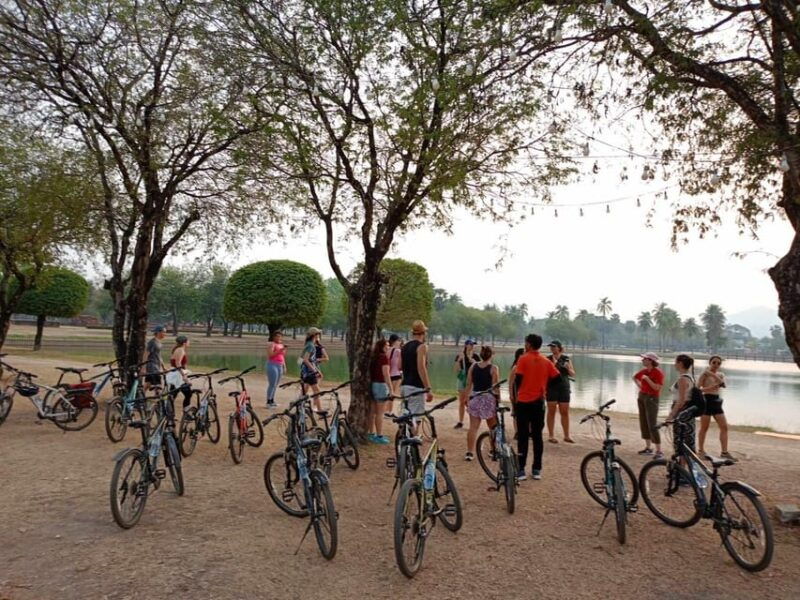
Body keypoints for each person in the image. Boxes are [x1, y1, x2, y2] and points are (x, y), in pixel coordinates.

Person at [513, 334, 560, 481]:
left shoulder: (523, 359)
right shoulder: (545, 361)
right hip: (539, 402)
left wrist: (516, 396)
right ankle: (536, 469)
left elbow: (518, 380)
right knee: (537, 436)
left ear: (529, 344)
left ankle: (521, 469)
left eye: (526, 343)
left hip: (523, 401)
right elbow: (558, 378)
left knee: (523, 436)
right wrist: (544, 388)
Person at [464, 345, 500, 461]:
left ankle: (470, 452)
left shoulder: (473, 366)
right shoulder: (493, 368)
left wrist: (466, 397)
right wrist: (498, 400)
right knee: (493, 426)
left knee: (473, 427)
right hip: (488, 398)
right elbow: (495, 387)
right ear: (491, 355)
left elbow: (469, 384)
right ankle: (493, 450)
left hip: (475, 397)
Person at [697, 356, 733, 459]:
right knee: (704, 428)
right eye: (714, 362)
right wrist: (710, 388)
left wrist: (712, 374)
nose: (716, 365)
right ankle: (701, 451)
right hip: (706, 401)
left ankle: (724, 452)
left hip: (716, 401)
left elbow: (723, 385)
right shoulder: (704, 374)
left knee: (724, 427)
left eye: (718, 363)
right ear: (709, 363)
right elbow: (698, 390)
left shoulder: (720, 374)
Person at [633, 352, 665, 458]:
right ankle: (648, 448)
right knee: (643, 422)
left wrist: (647, 380)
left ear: (650, 360)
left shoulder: (658, 373)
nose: (642, 360)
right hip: (642, 396)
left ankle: (659, 451)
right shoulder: (645, 371)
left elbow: (657, 388)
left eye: (644, 359)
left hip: (652, 398)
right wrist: (641, 387)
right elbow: (635, 377)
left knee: (652, 423)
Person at [666, 354, 697, 457]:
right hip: (688, 412)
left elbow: (681, 400)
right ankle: (683, 468)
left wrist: (671, 415)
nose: (674, 364)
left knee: (681, 441)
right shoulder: (690, 377)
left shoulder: (682, 379)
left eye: (676, 362)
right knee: (687, 442)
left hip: (682, 413)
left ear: (680, 363)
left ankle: (682, 469)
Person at [400, 320, 433, 415]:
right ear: (424, 333)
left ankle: (403, 429)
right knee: (415, 418)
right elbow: (421, 368)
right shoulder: (422, 347)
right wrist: (428, 389)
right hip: (416, 386)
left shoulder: (405, 346)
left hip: (404, 385)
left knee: (405, 416)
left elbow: (399, 366)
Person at [546, 340, 576, 443]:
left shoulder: (566, 359)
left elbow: (573, 374)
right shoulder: (547, 359)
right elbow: (546, 374)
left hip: (564, 387)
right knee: (551, 411)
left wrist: (568, 369)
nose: (552, 348)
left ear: (559, 348)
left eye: (554, 347)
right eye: (551, 347)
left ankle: (566, 435)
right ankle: (551, 435)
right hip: (551, 387)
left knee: (565, 412)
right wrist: (553, 365)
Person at [369, 338, 392, 444]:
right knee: (380, 413)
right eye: (386, 345)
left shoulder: (374, 357)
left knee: (372, 412)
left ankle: (370, 433)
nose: (388, 347)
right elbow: (386, 374)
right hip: (381, 386)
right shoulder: (384, 358)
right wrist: (391, 389)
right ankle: (379, 435)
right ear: (382, 346)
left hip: (373, 384)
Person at [453, 339, 480, 429]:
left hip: (472, 381)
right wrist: (458, 361)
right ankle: (460, 421)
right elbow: (456, 370)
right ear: (466, 345)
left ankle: (472, 422)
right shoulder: (460, 356)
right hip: (462, 380)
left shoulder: (476, 356)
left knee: (469, 402)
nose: (472, 346)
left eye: (473, 344)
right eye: (471, 344)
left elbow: (480, 368)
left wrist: (475, 363)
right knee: (462, 401)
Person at [301, 327, 323, 411]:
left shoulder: (309, 344)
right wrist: (314, 371)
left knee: (304, 391)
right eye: (318, 334)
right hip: (310, 373)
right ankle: (320, 410)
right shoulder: (310, 345)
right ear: (314, 335)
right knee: (317, 391)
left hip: (306, 372)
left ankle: (299, 407)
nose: (319, 336)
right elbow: (306, 360)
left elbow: (301, 359)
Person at [168, 335, 193, 411]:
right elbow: (178, 364)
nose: (189, 342)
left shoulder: (179, 349)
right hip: (178, 375)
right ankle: (186, 411)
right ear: (184, 343)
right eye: (188, 341)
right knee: (188, 393)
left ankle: (168, 413)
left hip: (176, 373)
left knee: (173, 394)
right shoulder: (180, 350)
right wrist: (184, 375)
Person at [266, 331, 286, 409]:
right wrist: (279, 351)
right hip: (272, 364)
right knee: (272, 384)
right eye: (277, 336)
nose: (278, 338)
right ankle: (268, 401)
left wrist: (284, 366)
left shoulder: (281, 345)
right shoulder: (271, 344)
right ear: (273, 337)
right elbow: (270, 355)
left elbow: (282, 356)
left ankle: (272, 400)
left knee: (276, 384)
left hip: (280, 365)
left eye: (280, 336)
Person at [508, 348, 524, 438]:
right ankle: (517, 431)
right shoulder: (515, 367)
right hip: (516, 392)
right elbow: (510, 383)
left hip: (524, 393)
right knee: (516, 413)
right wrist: (511, 394)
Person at [144, 325, 167, 390]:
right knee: (158, 384)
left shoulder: (159, 343)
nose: (165, 334)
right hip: (152, 366)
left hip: (157, 365)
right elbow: (146, 354)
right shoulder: (152, 342)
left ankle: (140, 397)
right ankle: (158, 398)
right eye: (164, 332)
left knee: (148, 383)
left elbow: (159, 355)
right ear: (158, 332)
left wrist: (163, 366)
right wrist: (143, 368)